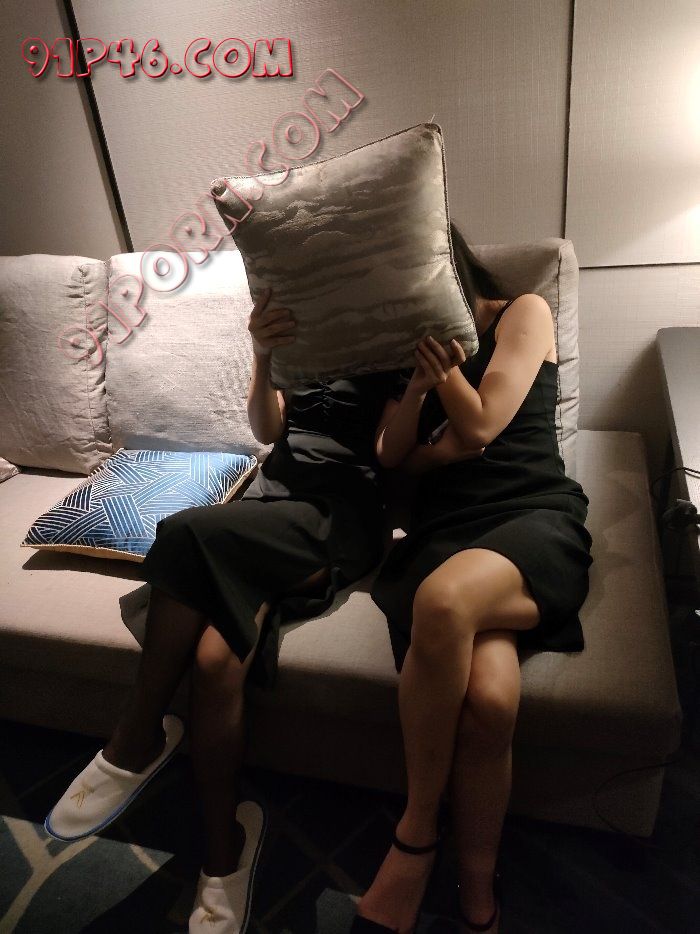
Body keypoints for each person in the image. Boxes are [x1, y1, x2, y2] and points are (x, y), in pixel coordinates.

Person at [44, 284, 401, 934]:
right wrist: (263, 351)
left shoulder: (393, 330)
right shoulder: (305, 322)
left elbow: (390, 457)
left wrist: (420, 383)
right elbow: (268, 431)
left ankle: (137, 736)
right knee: (215, 661)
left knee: (184, 531)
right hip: (269, 504)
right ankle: (223, 851)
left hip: (339, 515)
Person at [351, 223, 594, 934]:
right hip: (446, 532)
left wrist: (447, 379)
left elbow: (484, 426)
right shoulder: (405, 349)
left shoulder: (524, 311)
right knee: (489, 700)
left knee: (444, 599)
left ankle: (416, 835)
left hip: (530, 514)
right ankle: (478, 887)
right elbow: (393, 454)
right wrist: (420, 387)